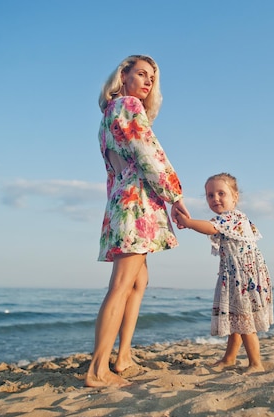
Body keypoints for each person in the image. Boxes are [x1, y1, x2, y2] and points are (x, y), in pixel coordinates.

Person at [86, 55, 190, 388]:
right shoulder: (128, 106)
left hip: (124, 201)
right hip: (134, 204)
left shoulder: (108, 115)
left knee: (138, 282)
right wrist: (175, 195)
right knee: (121, 285)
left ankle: (124, 356)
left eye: (152, 78)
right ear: (123, 76)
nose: (147, 82)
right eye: (141, 74)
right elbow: (150, 153)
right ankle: (97, 369)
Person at [175, 173, 273, 373]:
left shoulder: (234, 218)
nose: (215, 199)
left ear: (235, 196)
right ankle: (229, 358)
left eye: (221, 193)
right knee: (237, 318)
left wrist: (188, 222)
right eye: (210, 195)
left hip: (244, 277)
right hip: (237, 274)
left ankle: (256, 363)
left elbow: (211, 228)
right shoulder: (227, 219)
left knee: (245, 320)